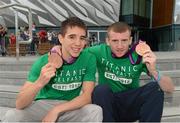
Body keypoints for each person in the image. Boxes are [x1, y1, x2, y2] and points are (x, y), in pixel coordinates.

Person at [2, 17, 102, 122]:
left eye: (82, 38)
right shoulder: (43, 61)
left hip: (70, 106)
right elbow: (19, 103)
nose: (78, 43)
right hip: (43, 106)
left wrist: (56, 110)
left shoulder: (88, 58)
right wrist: (40, 82)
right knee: (12, 115)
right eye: (72, 37)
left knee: (94, 110)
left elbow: (87, 97)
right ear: (61, 38)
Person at [88, 22, 174, 122]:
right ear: (107, 41)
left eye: (124, 40)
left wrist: (153, 71)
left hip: (131, 105)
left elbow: (170, 88)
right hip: (109, 107)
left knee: (155, 87)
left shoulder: (138, 55)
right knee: (100, 90)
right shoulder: (99, 51)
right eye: (115, 41)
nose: (119, 46)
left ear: (130, 40)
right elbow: (76, 52)